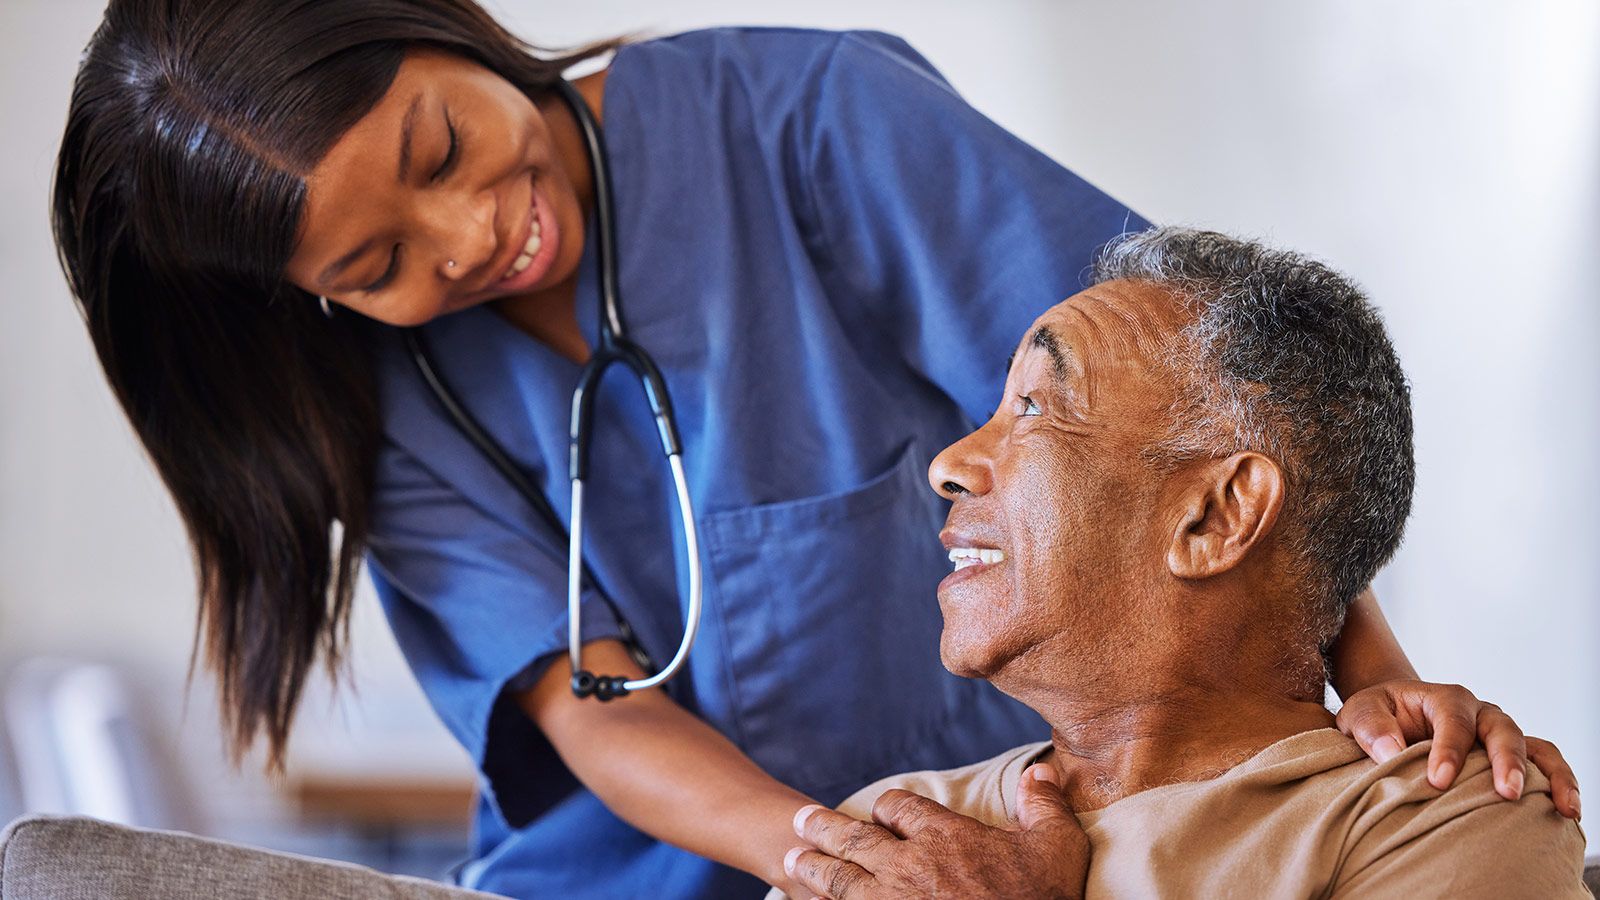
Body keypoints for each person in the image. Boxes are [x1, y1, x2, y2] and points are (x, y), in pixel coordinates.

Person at [50, 2, 1579, 898]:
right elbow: (592, 716)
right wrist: (854, 866)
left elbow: (1188, 408)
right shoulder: (392, 400)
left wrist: (1374, 691)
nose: (468, 244)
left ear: (439, 24)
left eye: (443, 153)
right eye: (374, 269)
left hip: (1001, 845)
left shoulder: (801, 119)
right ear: (308, 305)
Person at [780, 228, 1591, 900]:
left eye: (1032, 407)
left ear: (1215, 516)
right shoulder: (894, 833)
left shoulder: (1443, 821)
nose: (950, 464)